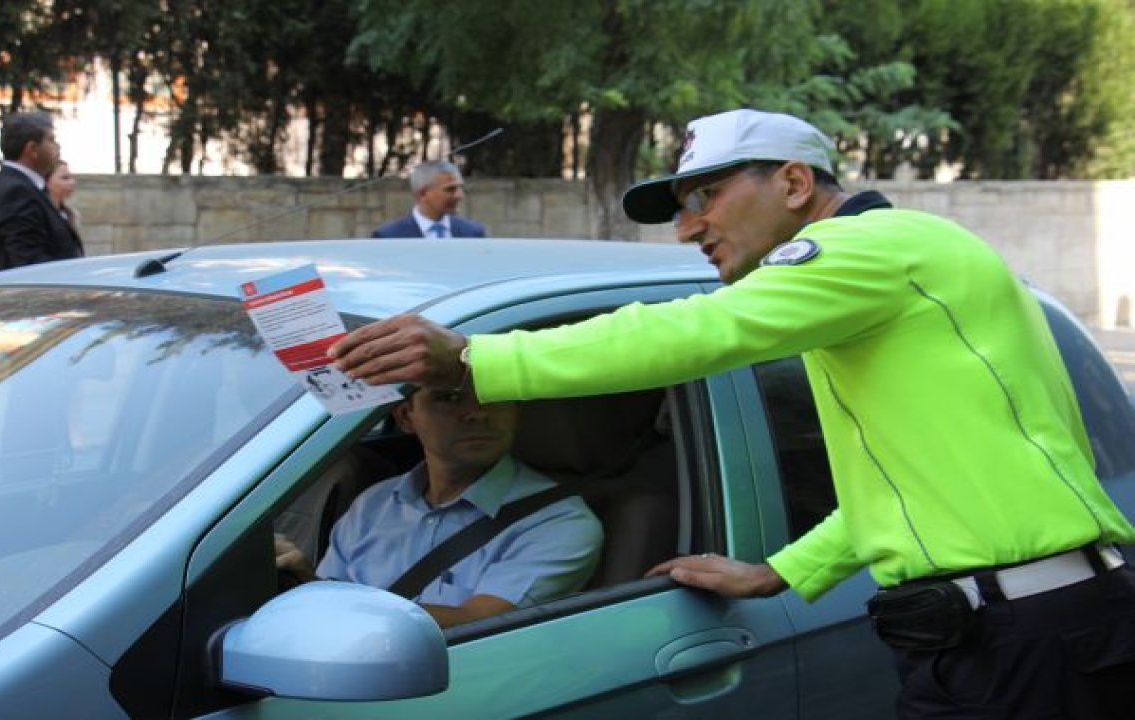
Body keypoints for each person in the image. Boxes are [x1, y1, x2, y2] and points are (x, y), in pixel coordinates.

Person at [326, 108, 1135, 717]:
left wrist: (476, 359)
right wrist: (784, 571)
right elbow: (912, 480)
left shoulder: (872, 250)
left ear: (793, 182)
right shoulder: (874, 287)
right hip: (998, 631)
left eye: (706, 195)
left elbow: (702, 331)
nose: (689, 228)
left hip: (1032, 632)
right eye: (682, 205)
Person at [274, 383, 602, 629]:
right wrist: (303, 586)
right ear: (405, 417)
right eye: (449, 397)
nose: (477, 412)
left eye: (494, 394)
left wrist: (319, 593)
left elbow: (477, 625)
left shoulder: (560, 521)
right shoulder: (373, 503)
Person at [0, 111, 83, 272]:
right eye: (51, 140)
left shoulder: (2, 184)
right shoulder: (16, 191)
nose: (57, 147)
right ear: (32, 149)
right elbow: (28, 262)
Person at [372, 160, 487, 238]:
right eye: (450, 189)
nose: (459, 195)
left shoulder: (473, 233)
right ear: (423, 193)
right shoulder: (389, 237)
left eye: (460, 188)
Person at [46, 160, 80, 233]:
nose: (72, 182)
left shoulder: (70, 214)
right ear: (46, 181)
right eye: (65, 178)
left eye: (72, 177)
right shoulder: (38, 212)